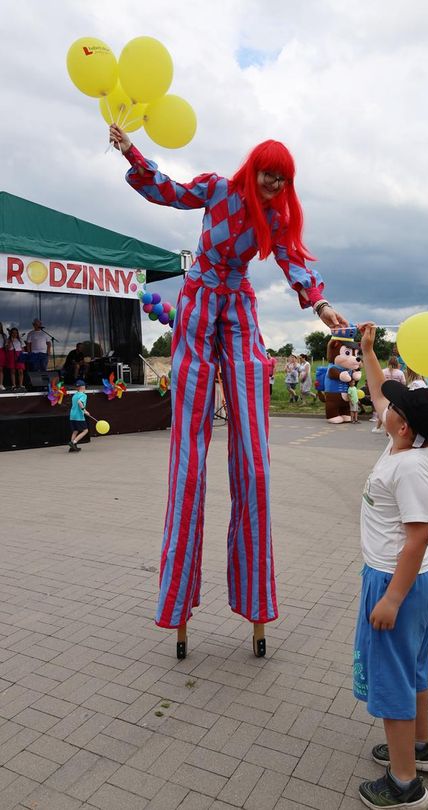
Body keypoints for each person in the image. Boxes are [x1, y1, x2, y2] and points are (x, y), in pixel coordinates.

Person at [109, 122, 348, 659]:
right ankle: (177, 605)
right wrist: (132, 150)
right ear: (252, 168)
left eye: (280, 178)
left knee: (255, 464)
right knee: (188, 463)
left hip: (237, 310)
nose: (271, 183)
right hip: (197, 307)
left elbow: (294, 263)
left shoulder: (277, 217)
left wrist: (321, 305)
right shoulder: (218, 188)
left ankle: (256, 600)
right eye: (267, 173)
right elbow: (166, 191)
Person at [353, 323, 428, 810]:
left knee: (393, 679)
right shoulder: (411, 445)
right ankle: (421, 747)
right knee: (414, 671)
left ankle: (405, 783)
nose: (383, 406)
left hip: (398, 581)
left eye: (392, 407)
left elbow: (419, 536)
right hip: (414, 582)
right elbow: (377, 393)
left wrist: (390, 597)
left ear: (404, 424)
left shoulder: (409, 466)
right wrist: (368, 351)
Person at [69, 380, 91, 452]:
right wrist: (85, 411)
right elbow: (79, 402)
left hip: (72, 416)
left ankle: (72, 447)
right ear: (82, 387)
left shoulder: (75, 395)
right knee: (85, 430)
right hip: (79, 416)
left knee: (75, 430)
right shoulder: (83, 395)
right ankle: (73, 442)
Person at [0, 323, 6, 391]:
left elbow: (6, 345)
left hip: (1, 352)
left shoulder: (4, 335)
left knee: (1, 369)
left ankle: (1, 384)